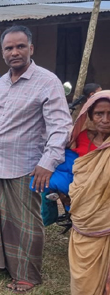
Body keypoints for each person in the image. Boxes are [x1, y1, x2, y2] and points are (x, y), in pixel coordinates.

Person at [0, 25, 72, 292]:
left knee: (26, 224)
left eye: (20, 46)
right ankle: (1, 262)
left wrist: (48, 162)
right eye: (9, 48)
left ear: (31, 49)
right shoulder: (1, 82)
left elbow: (60, 126)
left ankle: (28, 274)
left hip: (27, 166)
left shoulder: (47, 81)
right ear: (3, 52)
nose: (14, 52)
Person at [67, 91, 110, 295]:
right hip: (83, 218)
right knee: (83, 281)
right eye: (99, 113)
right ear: (90, 115)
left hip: (107, 221)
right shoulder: (82, 138)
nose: (105, 120)